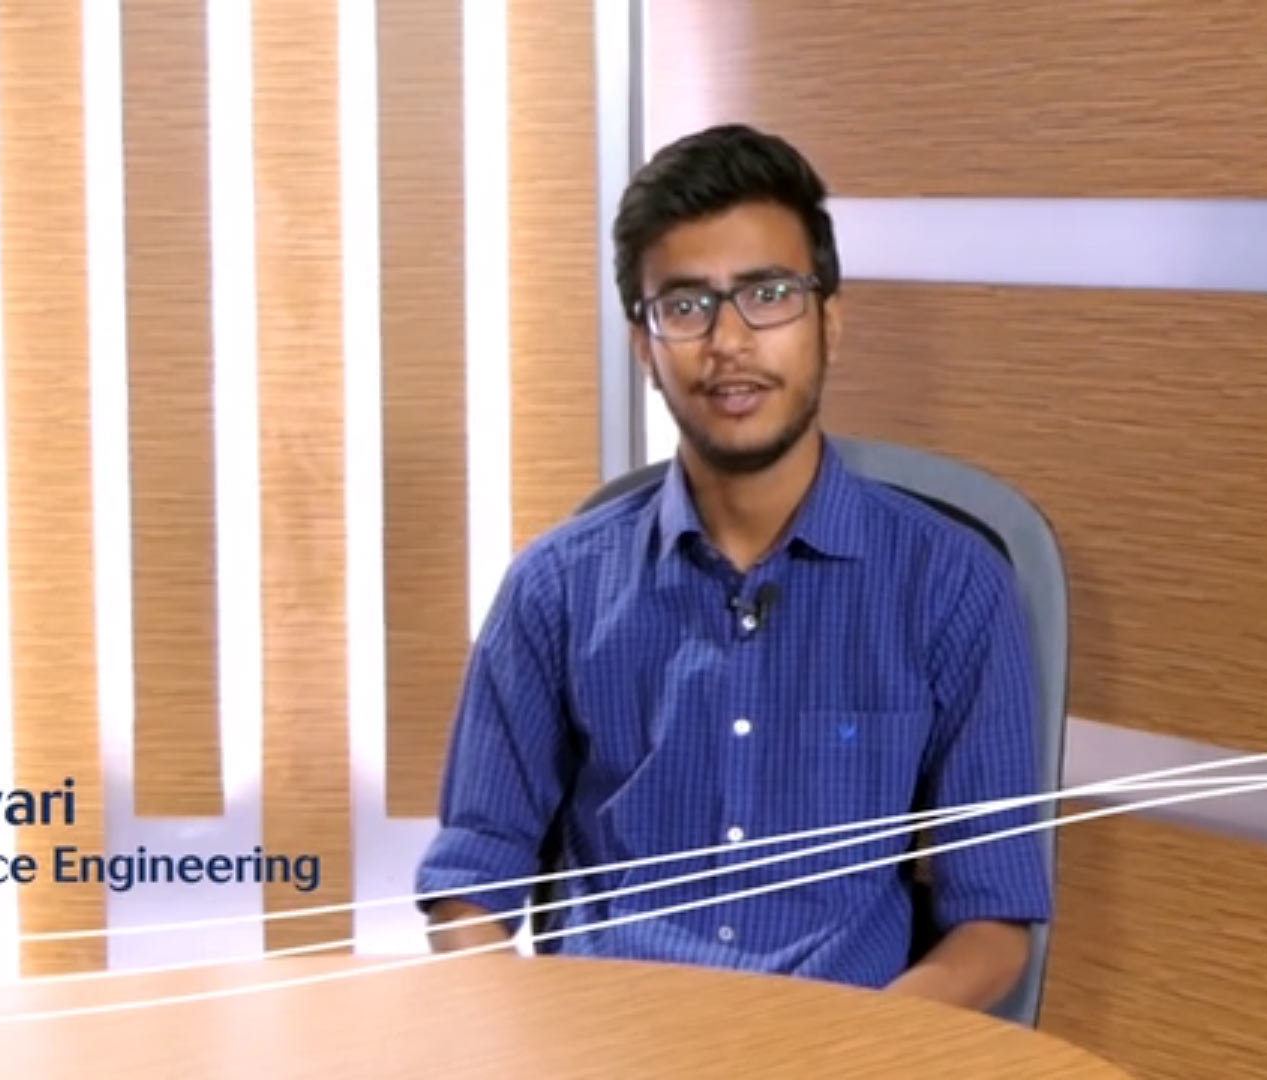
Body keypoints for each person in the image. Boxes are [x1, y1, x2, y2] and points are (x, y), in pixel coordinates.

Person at [412, 123, 1051, 1011]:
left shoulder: (950, 585)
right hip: (607, 1048)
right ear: (644, 344)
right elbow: (474, 875)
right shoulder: (554, 589)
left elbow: (994, 921)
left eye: (768, 295)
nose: (729, 343)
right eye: (685, 306)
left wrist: (855, 1060)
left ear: (829, 318)